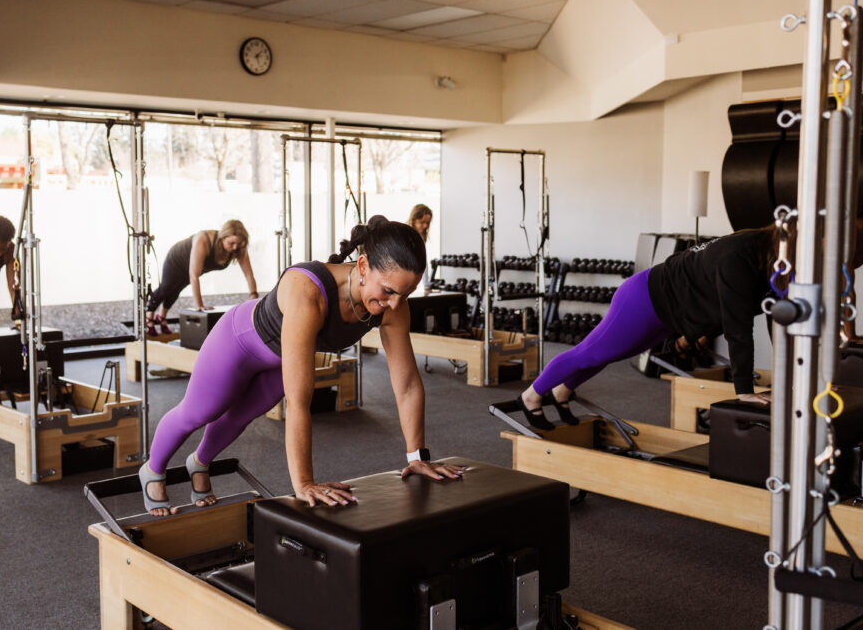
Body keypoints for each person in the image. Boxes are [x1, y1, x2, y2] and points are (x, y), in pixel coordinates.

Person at [139, 215, 464, 515]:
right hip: (236, 342)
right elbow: (298, 401)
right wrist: (305, 483)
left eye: (405, 294)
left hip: (278, 358)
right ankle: (152, 470)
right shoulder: (308, 289)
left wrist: (417, 457)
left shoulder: (393, 306)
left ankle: (199, 463)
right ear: (363, 265)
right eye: (389, 291)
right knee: (199, 412)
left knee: (240, 417)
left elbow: (406, 385)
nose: (394, 304)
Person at [517, 223, 787, 430]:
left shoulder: (768, 257)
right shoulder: (740, 256)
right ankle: (531, 395)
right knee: (589, 352)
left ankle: (561, 390)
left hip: (666, 313)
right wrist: (744, 391)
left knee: (608, 355)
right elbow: (738, 328)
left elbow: (772, 314)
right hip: (644, 299)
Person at [145, 220, 258, 335]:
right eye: (231, 243)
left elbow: (249, 274)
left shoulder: (239, 248)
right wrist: (199, 306)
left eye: (238, 244)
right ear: (223, 237)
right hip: (177, 259)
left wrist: (253, 297)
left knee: (176, 290)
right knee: (166, 288)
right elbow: (194, 276)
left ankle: (161, 317)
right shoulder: (204, 239)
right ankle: (149, 317)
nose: (235, 247)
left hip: (191, 267)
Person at [408, 204, 433, 292]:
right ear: (413, 220)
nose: (425, 226)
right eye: (422, 222)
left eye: (427, 223)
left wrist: (427, 286)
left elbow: (423, 262)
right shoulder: (405, 236)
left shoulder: (421, 237)